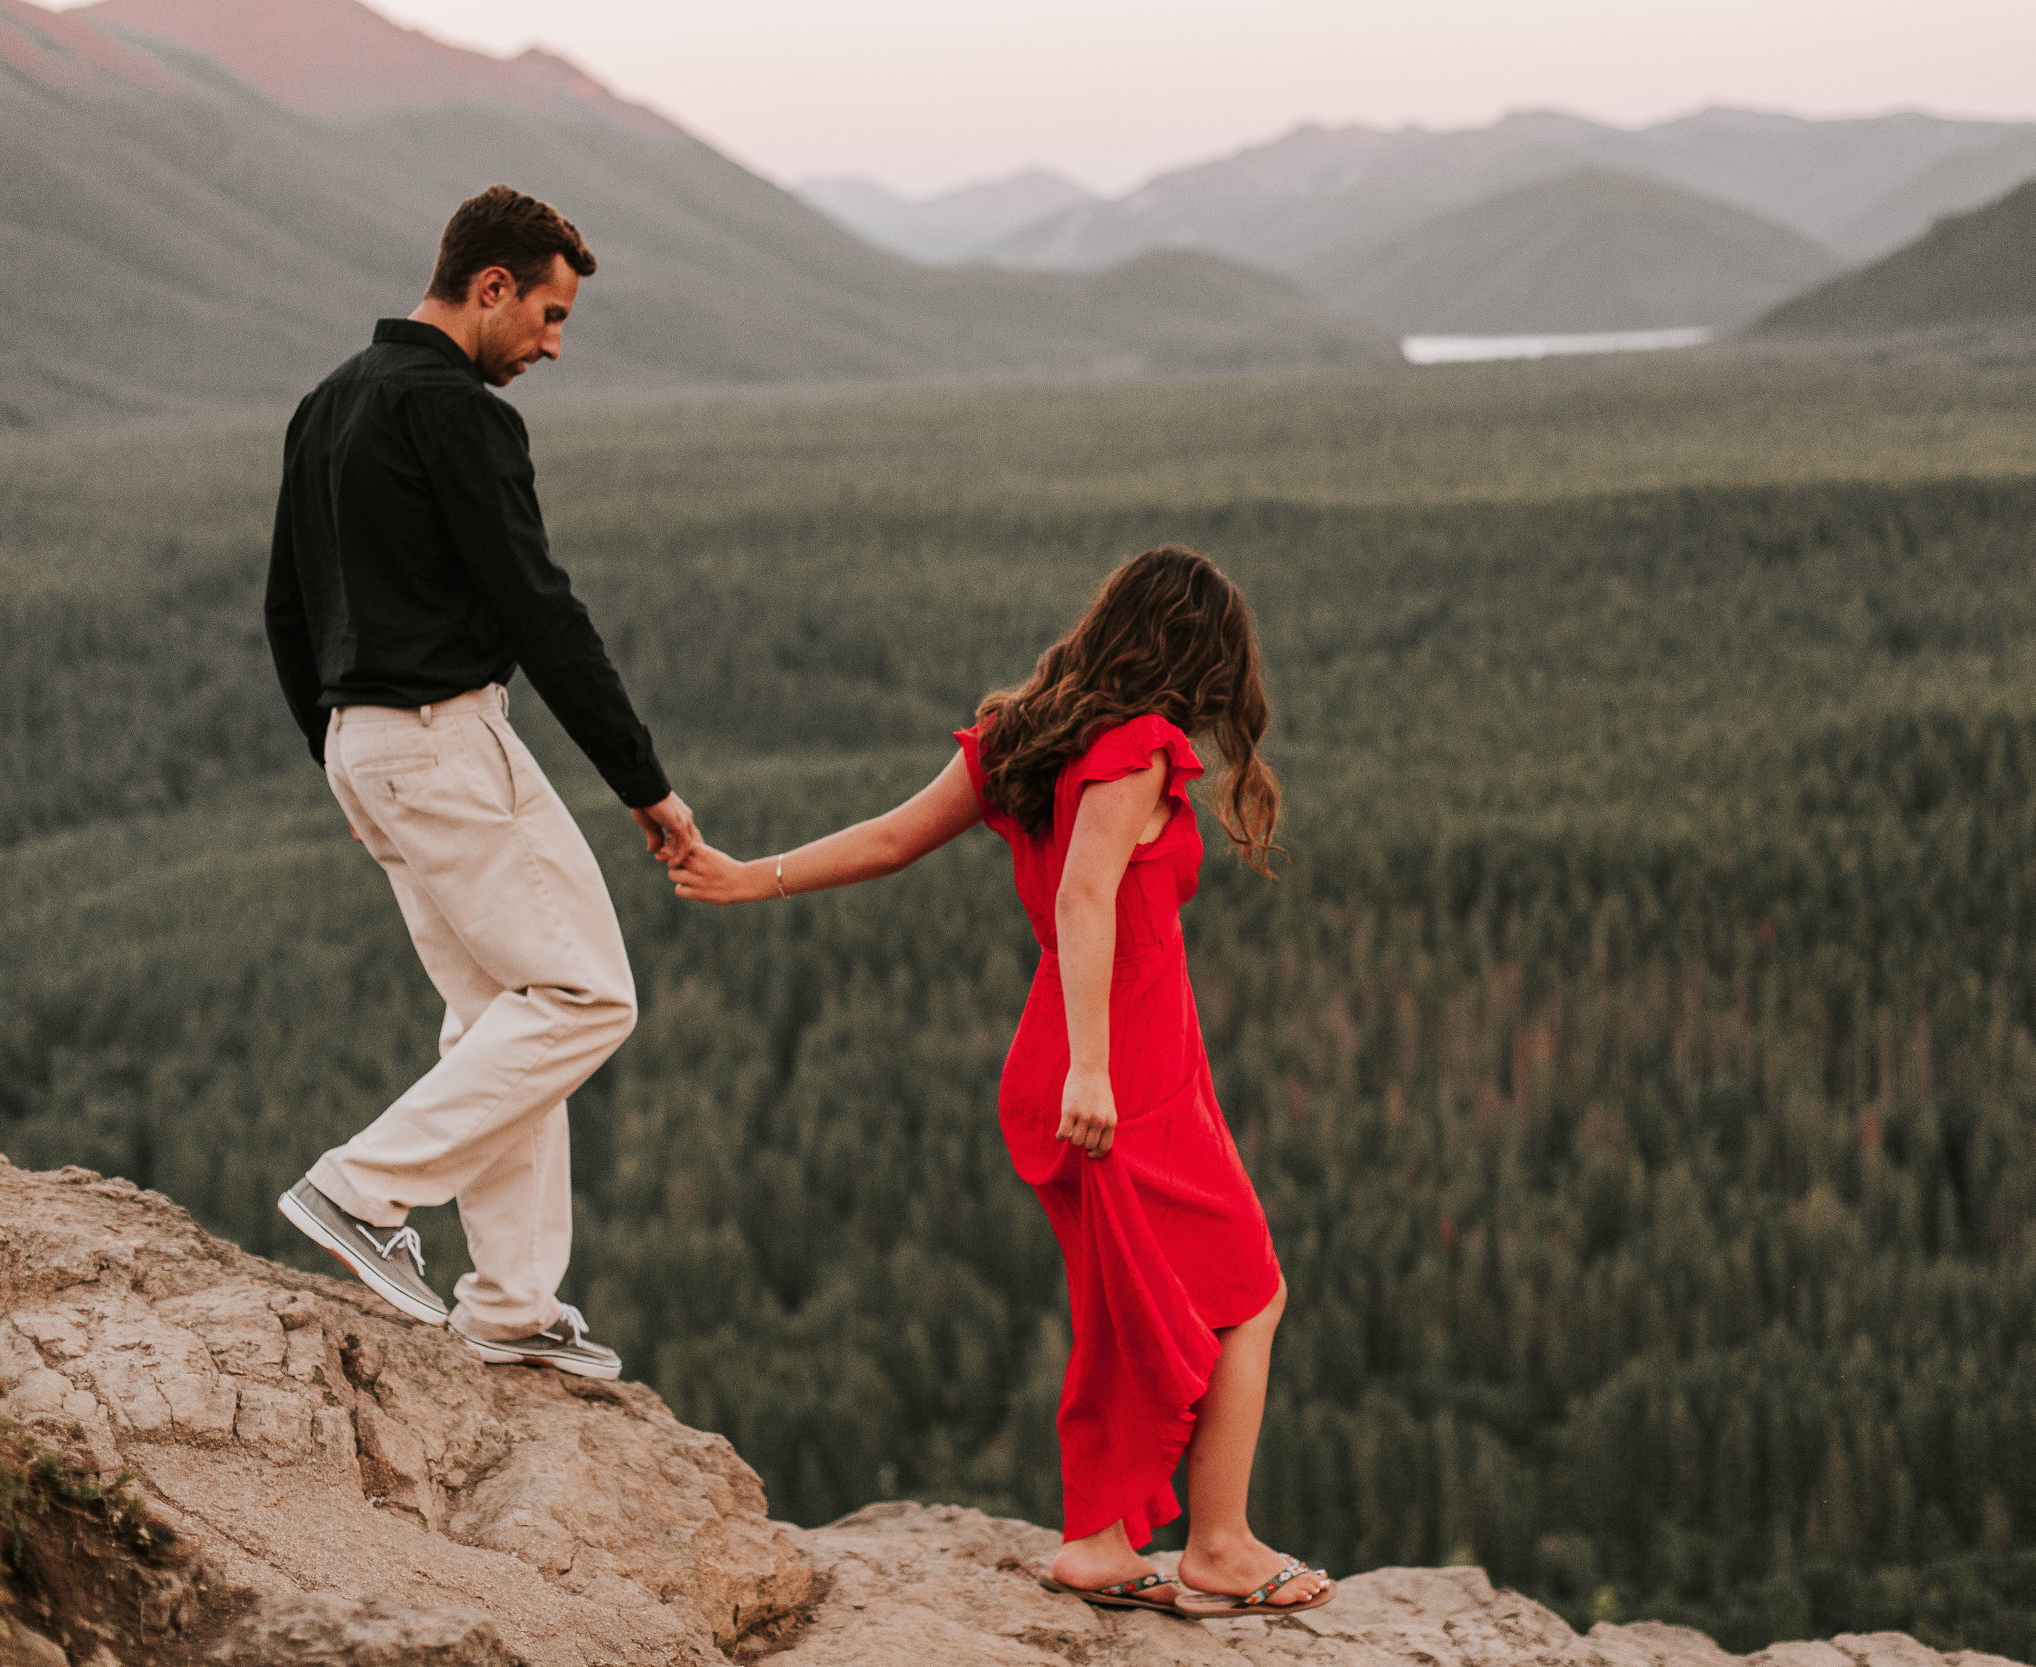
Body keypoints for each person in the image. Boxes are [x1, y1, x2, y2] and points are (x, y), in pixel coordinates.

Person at [670, 546, 1333, 1616]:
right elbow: (1083, 897)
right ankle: (1218, 1545)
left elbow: (891, 839)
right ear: (1193, 655)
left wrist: (753, 875)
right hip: (1117, 1070)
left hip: (1078, 1065)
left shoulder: (1021, 737)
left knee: (1128, 1303)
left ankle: (1103, 1543)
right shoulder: (1137, 750)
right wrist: (1092, 1067)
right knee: (1247, 1293)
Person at [263, 185, 696, 1382]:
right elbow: (536, 607)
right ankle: (362, 1187)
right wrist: (642, 780)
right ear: (490, 285)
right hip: (442, 739)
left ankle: (509, 1301)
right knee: (586, 995)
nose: (554, 343)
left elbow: (287, 609)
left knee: (496, 1014)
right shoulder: (459, 415)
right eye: (550, 314)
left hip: (369, 744)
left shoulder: (327, 402)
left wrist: (349, 752)